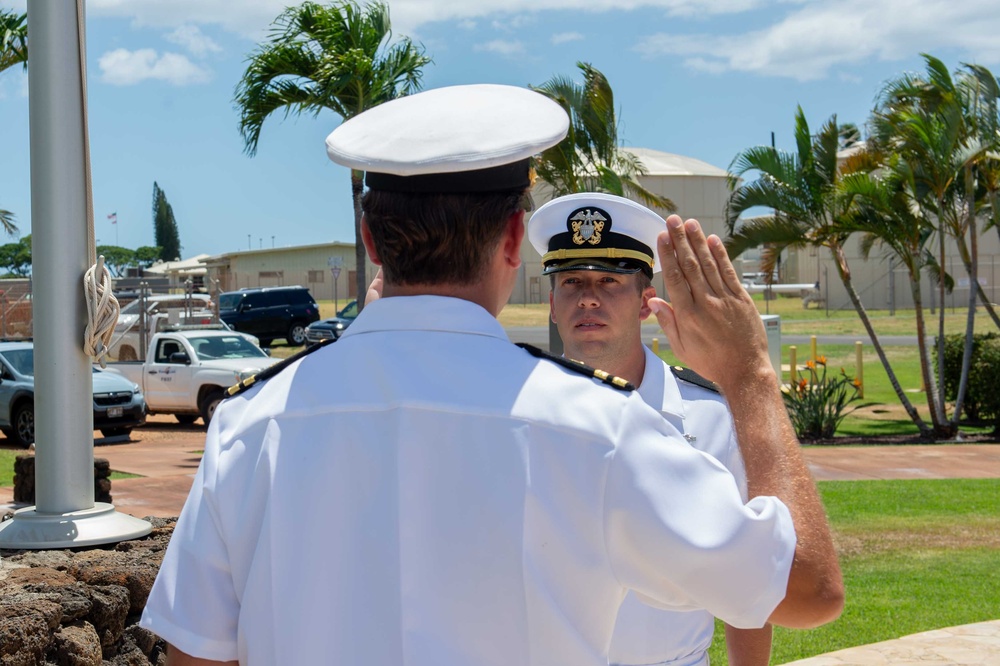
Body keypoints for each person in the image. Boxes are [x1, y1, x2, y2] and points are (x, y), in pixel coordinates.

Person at [140, 84, 843, 666]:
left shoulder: (248, 423)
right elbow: (808, 588)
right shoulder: (598, 427)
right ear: (514, 239)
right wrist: (749, 375)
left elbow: (196, 653)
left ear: (370, 239)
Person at [528, 192, 773, 666]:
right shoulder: (517, 417)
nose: (589, 297)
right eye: (572, 281)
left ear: (646, 303)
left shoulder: (712, 418)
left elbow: (749, 581)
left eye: (610, 281)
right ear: (552, 304)